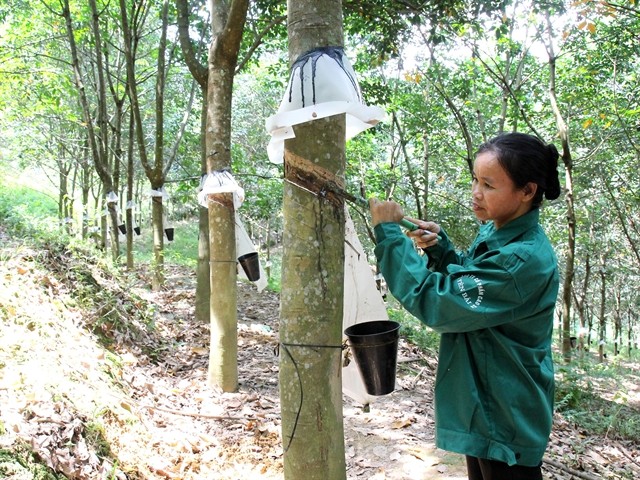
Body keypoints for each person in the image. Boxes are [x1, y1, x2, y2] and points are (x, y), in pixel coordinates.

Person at [369, 132, 561, 480]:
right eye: (475, 179)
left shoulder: (522, 260)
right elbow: (471, 287)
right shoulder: (497, 231)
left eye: (489, 184)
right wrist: (441, 250)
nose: (476, 192)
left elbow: (438, 302)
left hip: (506, 414)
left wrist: (390, 235)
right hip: (487, 404)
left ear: (527, 191)